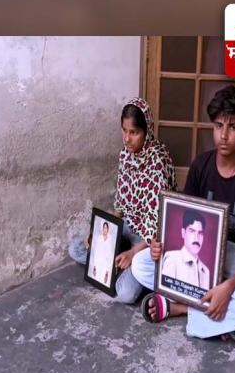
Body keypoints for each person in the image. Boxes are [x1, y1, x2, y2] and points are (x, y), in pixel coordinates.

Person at [132, 86, 235, 341]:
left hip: (234, 254)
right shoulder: (201, 165)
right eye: (219, 126)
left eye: (233, 127)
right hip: (198, 253)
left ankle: (180, 308)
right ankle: (217, 315)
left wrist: (228, 287)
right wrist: (158, 246)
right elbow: (181, 219)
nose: (224, 135)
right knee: (140, 264)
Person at [69, 98, 176, 302]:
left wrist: (133, 253)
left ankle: (125, 265)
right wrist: (100, 230)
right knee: (77, 249)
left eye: (134, 132)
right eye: (124, 131)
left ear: (147, 132)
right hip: (128, 226)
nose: (127, 139)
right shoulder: (126, 155)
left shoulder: (158, 162)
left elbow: (158, 228)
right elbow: (120, 210)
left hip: (149, 240)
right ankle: (117, 261)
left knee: (125, 293)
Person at [160, 210, 210, 290]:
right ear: (183, 233)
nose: (196, 238)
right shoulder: (172, 259)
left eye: (200, 233)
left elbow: (204, 301)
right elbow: (165, 294)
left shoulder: (205, 271)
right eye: (192, 231)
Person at [89, 221, 114, 286]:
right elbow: (96, 251)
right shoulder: (99, 238)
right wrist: (94, 266)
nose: (105, 229)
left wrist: (107, 271)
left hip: (106, 263)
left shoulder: (110, 239)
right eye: (104, 228)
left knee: (104, 281)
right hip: (98, 261)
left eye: (106, 228)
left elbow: (110, 254)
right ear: (102, 229)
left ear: (108, 229)